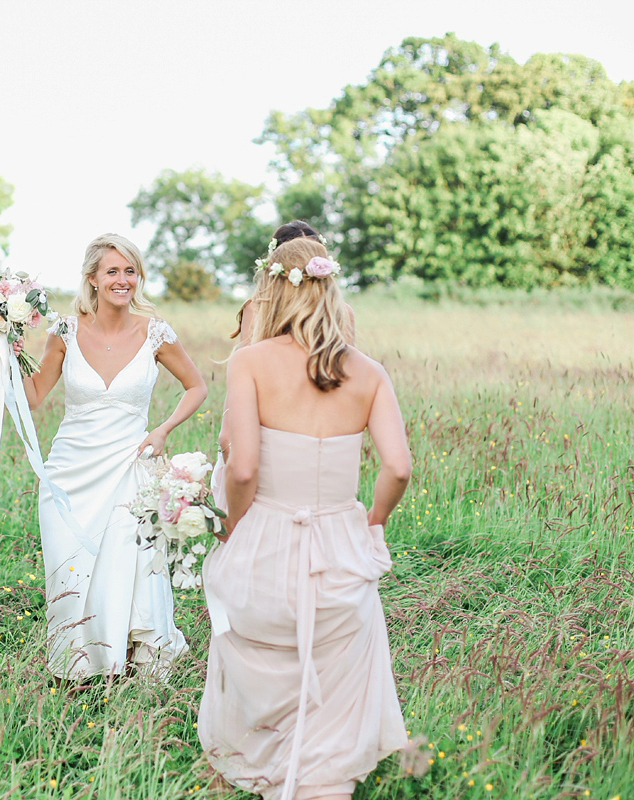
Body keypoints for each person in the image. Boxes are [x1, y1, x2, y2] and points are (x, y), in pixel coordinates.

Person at [198, 236, 411, 800]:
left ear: (272, 289)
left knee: (267, 645)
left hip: (268, 528)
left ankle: (274, 763)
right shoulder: (369, 372)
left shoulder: (251, 363)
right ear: (330, 288)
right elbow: (398, 467)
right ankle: (324, 774)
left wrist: (230, 529)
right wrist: (374, 521)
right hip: (339, 538)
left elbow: (242, 469)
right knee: (333, 653)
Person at [22, 233, 208, 680]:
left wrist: (163, 430)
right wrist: (6, 356)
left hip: (130, 466)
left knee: (128, 564)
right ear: (93, 278)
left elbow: (197, 387)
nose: (123, 280)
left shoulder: (156, 333)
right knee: (69, 565)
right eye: (113, 272)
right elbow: (32, 397)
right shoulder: (63, 332)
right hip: (71, 470)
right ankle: (77, 663)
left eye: (130, 271)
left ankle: (128, 657)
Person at [211, 221, 355, 510]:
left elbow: (347, 382)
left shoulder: (342, 314)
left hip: (318, 436)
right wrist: (229, 440)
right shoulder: (259, 307)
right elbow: (244, 376)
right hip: (263, 430)